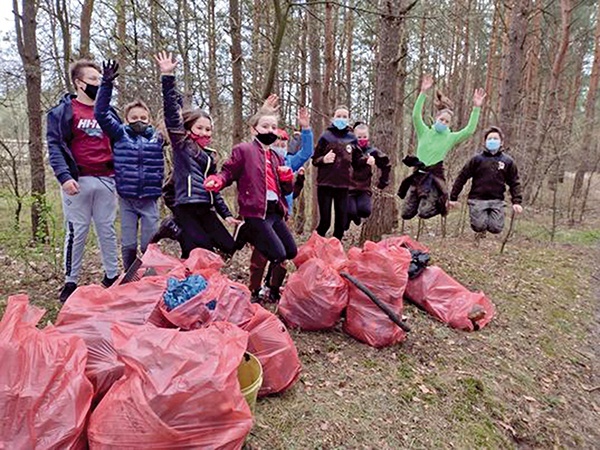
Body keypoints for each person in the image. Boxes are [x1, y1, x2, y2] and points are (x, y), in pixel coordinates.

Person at [204, 104, 298, 302]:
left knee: (290, 251)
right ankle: (246, 233)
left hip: (275, 212)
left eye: (273, 127)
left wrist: (289, 180)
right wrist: (218, 181)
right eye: (265, 126)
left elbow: (287, 191)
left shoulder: (276, 157)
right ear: (253, 129)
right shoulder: (244, 150)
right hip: (255, 211)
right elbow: (228, 172)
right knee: (277, 253)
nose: (270, 131)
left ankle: (268, 287)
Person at [47, 59, 120, 302]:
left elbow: (122, 141)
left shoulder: (109, 112)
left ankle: (112, 276)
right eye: (93, 80)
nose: (98, 84)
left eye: (100, 80)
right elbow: (55, 146)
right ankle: (70, 281)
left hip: (107, 179)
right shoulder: (62, 112)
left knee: (107, 230)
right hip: (78, 181)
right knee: (76, 232)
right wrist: (64, 177)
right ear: (79, 83)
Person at [155, 51, 238, 258]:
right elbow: (172, 116)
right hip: (186, 205)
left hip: (206, 207)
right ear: (189, 129)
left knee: (229, 246)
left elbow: (215, 189)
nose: (204, 133)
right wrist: (168, 77)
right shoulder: (182, 145)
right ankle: (175, 230)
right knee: (201, 250)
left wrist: (226, 214)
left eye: (208, 129)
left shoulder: (211, 156)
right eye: (200, 128)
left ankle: (187, 245)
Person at [94, 60, 165, 270]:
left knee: (149, 243)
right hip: (127, 198)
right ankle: (130, 275)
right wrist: (106, 84)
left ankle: (151, 276)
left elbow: (174, 121)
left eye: (143, 117)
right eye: (134, 117)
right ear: (126, 119)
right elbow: (101, 114)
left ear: (150, 119)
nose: (139, 120)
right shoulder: (120, 134)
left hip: (150, 199)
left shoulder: (158, 138)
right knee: (129, 243)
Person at [248, 102, 313, 301]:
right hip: (260, 213)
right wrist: (263, 111)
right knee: (260, 255)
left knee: (283, 255)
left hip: (282, 214)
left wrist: (306, 128)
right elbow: (252, 142)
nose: (281, 148)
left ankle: (273, 288)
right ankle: (254, 289)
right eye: (278, 144)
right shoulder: (259, 157)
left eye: (284, 145)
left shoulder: (288, 162)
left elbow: (307, 152)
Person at [398, 75, 486, 220]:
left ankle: (442, 204)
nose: (443, 122)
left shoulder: (450, 137)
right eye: (441, 119)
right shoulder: (424, 131)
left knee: (424, 212)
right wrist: (423, 92)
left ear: (449, 124)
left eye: (446, 122)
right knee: (406, 214)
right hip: (418, 175)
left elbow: (469, 130)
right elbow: (415, 116)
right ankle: (420, 201)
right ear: (436, 118)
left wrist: (476, 107)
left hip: (434, 178)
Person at [449, 126, 523, 234]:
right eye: (490, 139)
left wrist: (516, 202)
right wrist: (453, 197)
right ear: (485, 142)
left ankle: (490, 220)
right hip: (477, 199)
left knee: (496, 228)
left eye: (495, 139)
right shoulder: (477, 159)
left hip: (497, 200)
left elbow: (514, 182)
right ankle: (480, 224)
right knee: (479, 226)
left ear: (501, 142)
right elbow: (462, 177)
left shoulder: (507, 161)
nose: (492, 141)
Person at [312, 105, 368, 240]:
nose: (341, 119)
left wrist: (367, 160)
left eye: (344, 117)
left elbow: (357, 161)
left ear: (348, 119)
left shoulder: (352, 139)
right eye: (339, 116)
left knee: (340, 224)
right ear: (333, 118)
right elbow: (315, 160)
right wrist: (323, 159)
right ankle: (315, 247)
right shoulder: (326, 136)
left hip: (343, 185)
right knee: (325, 222)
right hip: (325, 184)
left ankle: (335, 251)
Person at [345, 122, 391, 229]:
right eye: (359, 137)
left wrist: (383, 182)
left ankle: (355, 217)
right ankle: (347, 220)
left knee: (365, 211)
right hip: (348, 188)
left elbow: (386, 164)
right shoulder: (350, 148)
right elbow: (354, 161)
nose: (362, 139)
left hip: (363, 188)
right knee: (350, 212)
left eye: (364, 137)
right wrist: (366, 160)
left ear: (369, 137)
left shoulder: (372, 151)